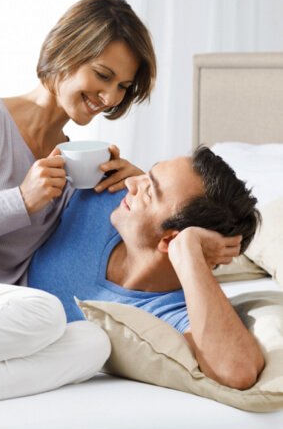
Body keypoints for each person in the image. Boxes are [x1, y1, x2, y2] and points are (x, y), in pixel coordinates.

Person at [0, 0, 156, 403]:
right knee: (45, 315)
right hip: (7, 308)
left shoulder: (73, 163)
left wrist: (140, 185)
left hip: (3, 313)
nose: (110, 97)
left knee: (94, 343)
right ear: (67, 51)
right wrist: (22, 199)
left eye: (123, 87)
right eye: (103, 75)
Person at [29, 146, 265, 391]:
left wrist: (189, 248)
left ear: (169, 241)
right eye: (147, 175)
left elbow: (237, 372)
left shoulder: (171, 312)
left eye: (149, 190)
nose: (131, 181)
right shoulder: (105, 193)